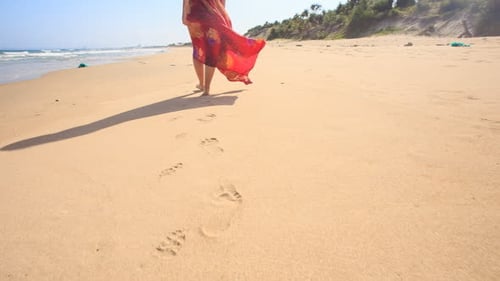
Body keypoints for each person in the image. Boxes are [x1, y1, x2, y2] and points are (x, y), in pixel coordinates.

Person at [182, 0, 266, 96]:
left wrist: (184, 15)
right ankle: (206, 88)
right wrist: (220, 15)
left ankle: (202, 84)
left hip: (194, 15)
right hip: (212, 16)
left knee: (198, 49)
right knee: (211, 50)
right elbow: (222, 3)